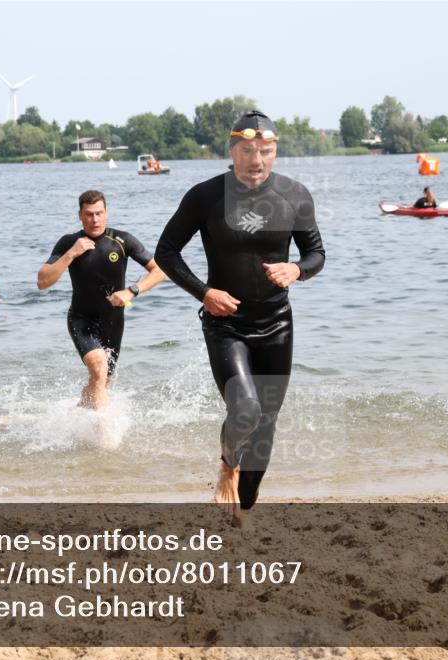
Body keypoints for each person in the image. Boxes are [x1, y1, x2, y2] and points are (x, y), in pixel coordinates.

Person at [155, 110, 325, 524]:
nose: (257, 160)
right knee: (246, 410)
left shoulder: (295, 195)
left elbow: (316, 253)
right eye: (247, 151)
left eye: (265, 151)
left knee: (266, 426)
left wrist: (297, 270)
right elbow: (166, 252)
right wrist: (205, 292)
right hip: (226, 325)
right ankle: (227, 466)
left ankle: (243, 513)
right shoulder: (206, 196)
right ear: (232, 151)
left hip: (277, 324)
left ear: (275, 151)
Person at [37, 190, 165, 409]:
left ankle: (78, 413)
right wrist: (71, 254)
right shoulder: (69, 242)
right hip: (81, 318)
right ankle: (105, 433)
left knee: (103, 381)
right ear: (80, 215)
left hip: (113, 321)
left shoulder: (122, 240)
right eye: (88, 214)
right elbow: (42, 281)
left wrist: (132, 291)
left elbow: (159, 271)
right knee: (98, 366)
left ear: (106, 213)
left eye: (98, 213)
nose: (94, 219)